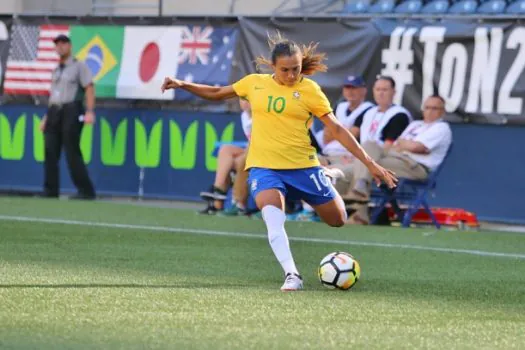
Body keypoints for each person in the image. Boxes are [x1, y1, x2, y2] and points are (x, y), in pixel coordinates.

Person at [161, 34, 397, 291]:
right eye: (285, 70)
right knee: (273, 220)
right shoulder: (254, 83)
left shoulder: (310, 90)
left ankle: (327, 175)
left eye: (296, 69)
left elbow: (338, 129)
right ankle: (292, 274)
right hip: (265, 167)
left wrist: (371, 163)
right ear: (273, 67)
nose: (291, 75)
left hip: (303, 167)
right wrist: (182, 84)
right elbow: (218, 92)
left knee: (337, 219)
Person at [349, 95, 453, 225]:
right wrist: (406, 144)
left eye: (435, 108)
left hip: (415, 167)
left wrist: (405, 144)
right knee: (365, 149)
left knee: (364, 165)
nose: (430, 111)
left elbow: (417, 147)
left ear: (442, 111)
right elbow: (396, 145)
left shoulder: (442, 127)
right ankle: (339, 205)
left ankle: (359, 209)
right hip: (394, 159)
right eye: (427, 107)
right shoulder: (415, 124)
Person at [329, 76, 412, 200]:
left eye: (385, 89)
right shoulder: (369, 112)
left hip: (385, 158)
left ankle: (360, 185)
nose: (381, 93)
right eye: (378, 89)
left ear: (393, 92)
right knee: (336, 170)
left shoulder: (399, 115)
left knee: (368, 147)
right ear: (373, 91)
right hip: (365, 158)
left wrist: (360, 157)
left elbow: (388, 146)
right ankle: (338, 206)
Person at [39, 34, 96, 200]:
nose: (60, 47)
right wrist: (46, 117)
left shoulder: (79, 66)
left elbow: (89, 88)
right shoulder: (56, 70)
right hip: (54, 111)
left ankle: (86, 191)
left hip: (72, 109)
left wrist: (90, 111)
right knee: (50, 149)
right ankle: (50, 190)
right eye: (57, 44)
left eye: (63, 43)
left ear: (69, 46)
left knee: (72, 151)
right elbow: (54, 95)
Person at [200, 99, 252, 215]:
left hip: (263, 153)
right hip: (251, 150)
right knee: (225, 149)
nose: (244, 103)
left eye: (247, 100)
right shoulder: (244, 116)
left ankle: (235, 203)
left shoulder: (261, 117)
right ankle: (217, 189)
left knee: (241, 160)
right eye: (242, 100)